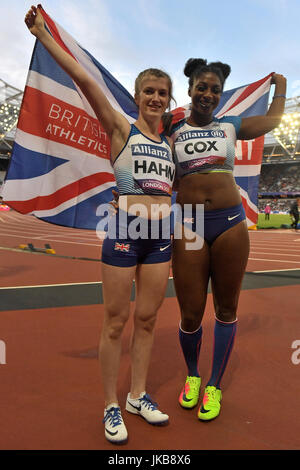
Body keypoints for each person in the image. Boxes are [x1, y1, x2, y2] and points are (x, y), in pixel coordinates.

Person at [25, 5, 175, 444]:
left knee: (147, 319)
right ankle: (111, 404)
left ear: (168, 100)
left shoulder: (167, 144)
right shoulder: (119, 128)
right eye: (148, 91)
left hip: (160, 237)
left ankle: (138, 396)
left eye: (162, 93)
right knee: (115, 320)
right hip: (126, 231)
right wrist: (45, 37)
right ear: (137, 95)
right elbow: (87, 82)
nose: (155, 98)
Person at [170, 58, 286, 421]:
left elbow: (271, 121)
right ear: (189, 90)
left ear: (220, 96)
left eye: (215, 90)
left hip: (230, 223)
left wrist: (279, 87)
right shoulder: (169, 127)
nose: (208, 94)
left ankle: (214, 384)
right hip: (188, 225)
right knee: (190, 314)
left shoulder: (230, 126)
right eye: (201, 87)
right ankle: (193, 375)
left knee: (225, 309)